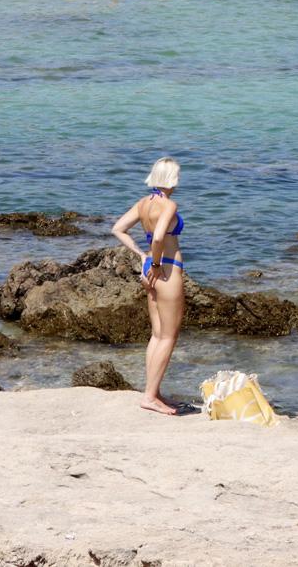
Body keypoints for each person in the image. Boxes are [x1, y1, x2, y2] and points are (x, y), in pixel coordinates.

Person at [109, 158, 188, 412]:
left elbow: (118, 229)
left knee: (157, 334)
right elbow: (158, 237)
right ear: (172, 178)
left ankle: (153, 392)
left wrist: (142, 258)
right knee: (169, 336)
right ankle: (150, 397)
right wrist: (154, 263)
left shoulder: (144, 203)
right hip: (165, 270)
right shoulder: (168, 205)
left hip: (150, 268)